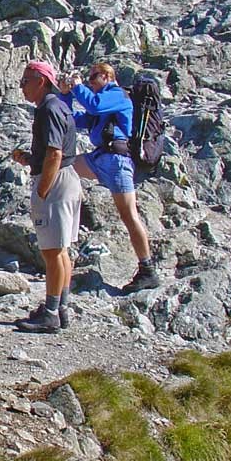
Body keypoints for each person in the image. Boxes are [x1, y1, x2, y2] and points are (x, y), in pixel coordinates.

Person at [59, 62, 161, 292]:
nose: (90, 82)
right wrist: (65, 95)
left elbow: (94, 106)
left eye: (93, 77)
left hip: (117, 161)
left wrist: (76, 87)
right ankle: (61, 242)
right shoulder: (102, 103)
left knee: (129, 215)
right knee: (63, 168)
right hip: (100, 157)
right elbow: (70, 120)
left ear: (106, 76)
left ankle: (148, 270)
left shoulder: (117, 95)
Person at [12, 60, 82, 333]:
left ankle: (50, 313)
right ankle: (60, 307)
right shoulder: (59, 106)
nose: (22, 87)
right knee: (61, 250)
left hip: (56, 182)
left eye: (25, 81)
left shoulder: (48, 109)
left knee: (51, 251)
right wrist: (31, 160)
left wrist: (42, 188)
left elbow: (55, 153)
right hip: (68, 179)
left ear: (41, 81)